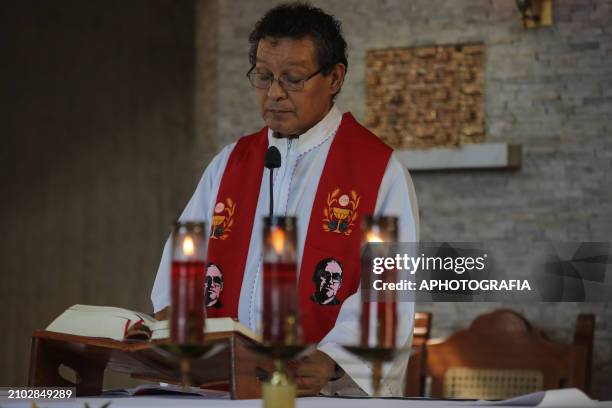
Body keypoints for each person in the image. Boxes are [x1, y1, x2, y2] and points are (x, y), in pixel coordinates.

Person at [151, 2, 419, 396]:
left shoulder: (378, 171)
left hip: (319, 396)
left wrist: (332, 361)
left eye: (292, 79)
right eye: (263, 77)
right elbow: (182, 263)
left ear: (334, 77)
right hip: (222, 389)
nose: (274, 93)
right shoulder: (230, 164)